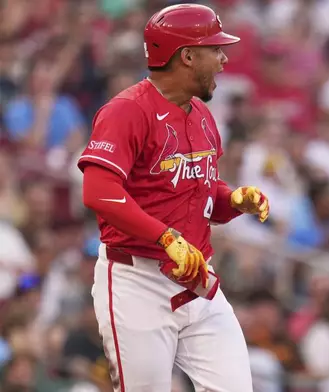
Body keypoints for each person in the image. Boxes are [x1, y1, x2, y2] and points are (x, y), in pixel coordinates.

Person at [77, 4, 269, 392]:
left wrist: (233, 200)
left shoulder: (200, 112)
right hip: (137, 281)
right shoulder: (127, 110)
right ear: (187, 56)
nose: (224, 58)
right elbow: (99, 192)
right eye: (215, 49)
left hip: (197, 280)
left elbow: (196, 192)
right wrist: (164, 238)